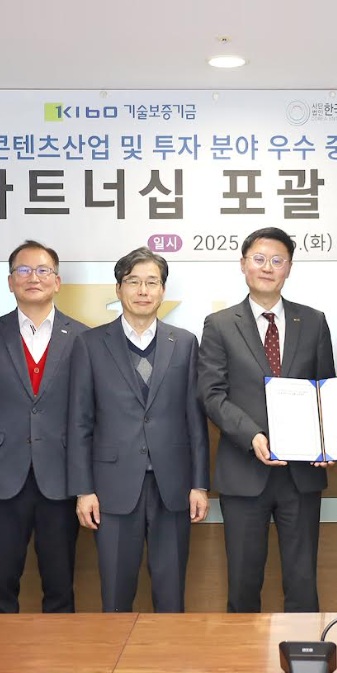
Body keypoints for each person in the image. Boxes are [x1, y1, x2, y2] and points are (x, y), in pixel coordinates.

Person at [198, 226, 335, 613]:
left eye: (277, 260)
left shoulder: (313, 321)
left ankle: (305, 651)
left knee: (303, 581)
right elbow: (211, 394)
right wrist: (253, 435)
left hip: (301, 473)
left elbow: (325, 390)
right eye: (259, 259)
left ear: (289, 267)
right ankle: (242, 654)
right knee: (243, 581)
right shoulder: (219, 324)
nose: (267, 267)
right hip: (244, 471)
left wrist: (327, 441)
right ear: (243, 264)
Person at [68, 247, 210, 612]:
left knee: (171, 595)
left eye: (152, 282)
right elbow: (80, 422)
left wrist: (199, 484)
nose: (143, 290)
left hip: (172, 486)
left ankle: (169, 652)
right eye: (133, 281)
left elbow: (195, 420)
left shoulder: (185, 343)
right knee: (115, 595)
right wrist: (83, 490)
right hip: (112, 487)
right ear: (118, 289)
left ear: (163, 290)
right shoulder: (90, 344)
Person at [0, 240, 89, 613]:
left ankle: (61, 652)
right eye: (24, 270)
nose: (33, 278)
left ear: (57, 281)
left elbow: (88, 417)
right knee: (0, 583)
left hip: (60, 478)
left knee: (60, 583)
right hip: (0, 478)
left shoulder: (83, 337)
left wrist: (86, 484)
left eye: (43, 270)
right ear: (10, 281)